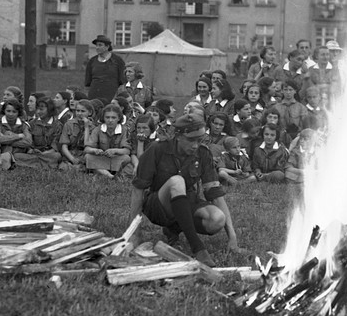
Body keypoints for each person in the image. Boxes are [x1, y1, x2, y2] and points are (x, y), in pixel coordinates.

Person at [128, 114, 240, 267]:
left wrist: (232, 237)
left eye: (199, 140)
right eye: (191, 140)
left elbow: (215, 194)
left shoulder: (203, 153)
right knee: (177, 181)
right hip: (159, 206)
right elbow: (138, 189)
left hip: (187, 201)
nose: (195, 145)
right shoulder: (157, 149)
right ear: (178, 136)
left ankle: (173, 230)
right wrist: (134, 232)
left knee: (217, 219)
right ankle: (198, 247)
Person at [85, 102, 131, 177]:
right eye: (107, 117)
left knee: (127, 158)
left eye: (113, 117)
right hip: (101, 158)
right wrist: (95, 150)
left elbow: (127, 151)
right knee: (88, 156)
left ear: (119, 118)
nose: (110, 120)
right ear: (103, 118)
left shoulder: (124, 130)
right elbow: (87, 148)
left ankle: (102, 172)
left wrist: (114, 151)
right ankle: (110, 176)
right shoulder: (98, 129)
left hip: (116, 158)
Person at [84, 35, 126, 103]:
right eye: (96, 45)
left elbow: (123, 81)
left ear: (107, 46)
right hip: (94, 97)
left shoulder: (117, 61)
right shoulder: (92, 61)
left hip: (111, 97)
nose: (97, 48)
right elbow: (87, 83)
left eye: (100, 45)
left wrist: (117, 98)